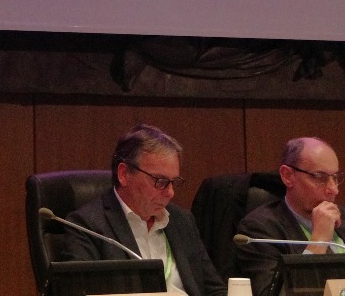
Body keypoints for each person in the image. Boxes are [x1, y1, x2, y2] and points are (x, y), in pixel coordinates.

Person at [65, 124, 225, 296]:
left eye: (173, 182)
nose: (170, 193)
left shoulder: (182, 221)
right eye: (160, 181)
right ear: (124, 174)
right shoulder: (87, 226)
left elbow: (214, 290)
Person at [233, 138, 345, 296]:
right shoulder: (260, 230)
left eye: (335, 177)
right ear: (288, 176)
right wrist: (319, 242)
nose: (334, 189)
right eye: (319, 177)